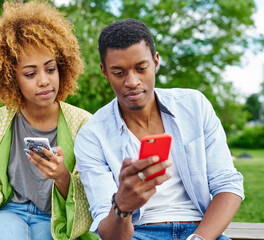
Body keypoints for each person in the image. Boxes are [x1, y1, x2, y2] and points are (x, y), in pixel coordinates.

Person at [74, 19, 244, 240]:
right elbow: (110, 235)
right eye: (119, 73)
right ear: (104, 72)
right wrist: (122, 207)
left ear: (155, 62)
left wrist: (199, 239)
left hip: (201, 231)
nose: (132, 81)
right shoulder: (92, 135)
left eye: (141, 68)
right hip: (138, 233)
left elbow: (228, 186)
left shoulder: (195, 106)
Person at [0, 2, 98, 240]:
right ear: (10, 78)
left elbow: (94, 193)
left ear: (63, 68)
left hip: (55, 218)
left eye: (50, 69)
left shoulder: (82, 123)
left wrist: (62, 176)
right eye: (30, 74)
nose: (44, 81)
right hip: (9, 213)